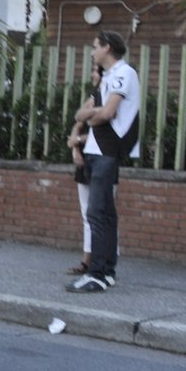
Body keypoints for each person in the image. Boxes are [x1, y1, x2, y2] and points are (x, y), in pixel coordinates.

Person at [67, 31, 140, 294]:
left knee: (97, 213)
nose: (91, 51)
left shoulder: (124, 73)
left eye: (95, 46)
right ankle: (107, 270)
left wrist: (94, 115)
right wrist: (94, 114)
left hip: (108, 150)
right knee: (105, 214)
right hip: (96, 150)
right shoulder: (107, 78)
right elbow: (80, 114)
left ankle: (96, 273)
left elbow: (108, 113)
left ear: (107, 48)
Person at [65, 62, 106, 274]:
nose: (92, 74)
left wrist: (78, 140)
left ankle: (102, 261)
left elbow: (105, 133)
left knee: (102, 212)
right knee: (86, 212)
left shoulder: (112, 99)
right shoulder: (94, 96)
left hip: (102, 158)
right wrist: (75, 148)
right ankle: (87, 260)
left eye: (96, 71)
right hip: (85, 159)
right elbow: (78, 120)